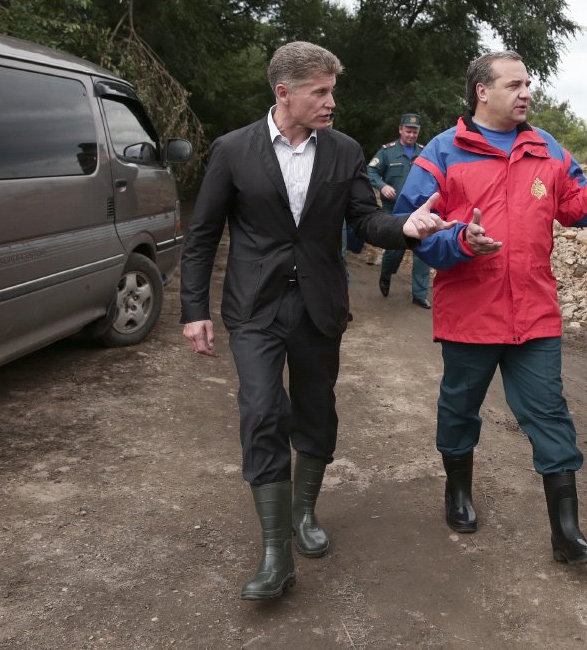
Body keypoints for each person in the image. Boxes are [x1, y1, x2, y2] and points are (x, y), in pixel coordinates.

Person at [179, 41, 453, 601]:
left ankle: (303, 511)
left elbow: (364, 219)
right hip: (254, 306)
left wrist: (404, 228)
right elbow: (203, 235)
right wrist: (193, 311)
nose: (332, 102)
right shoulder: (233, 150)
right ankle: (275, 553)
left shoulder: (344, 151)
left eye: (333, 91)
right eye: (321, 92)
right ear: (284, 93)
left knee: (315, 410)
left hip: (318, 305)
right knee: (260, 410)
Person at [395, 50, 587, 566]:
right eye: (514, 85)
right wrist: (460, 242)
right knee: (459, 408)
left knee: (549, 413)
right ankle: (458, 492)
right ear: (482, 92)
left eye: (528, 84)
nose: (526, 93)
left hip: (534, 313)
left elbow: (576, 208)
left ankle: (566, 533)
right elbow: (413, 229)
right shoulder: (442, 152)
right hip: (470, 315)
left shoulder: (546, 147)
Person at [368, 113, 432, 307]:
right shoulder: (387, 152)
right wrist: (382, 186)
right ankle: (386, 273)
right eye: (408, 131)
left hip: (419, 209)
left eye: (415, 132)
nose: (411, 135)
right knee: (395, 250)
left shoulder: (425, 152)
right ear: (400, 130)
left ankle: (419, 295)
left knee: (423, 251)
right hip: (395, 210)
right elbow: (371, 170)